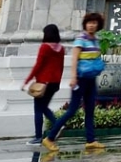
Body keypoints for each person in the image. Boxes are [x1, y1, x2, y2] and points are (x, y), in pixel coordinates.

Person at [43, 12, 108, 152]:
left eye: (94, 23)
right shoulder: (81, 39)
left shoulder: (95, 40)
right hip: (80, 79)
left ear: (98, 25)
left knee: (90, 109)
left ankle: (90, 140)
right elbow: (74, 59)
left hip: (91, 79)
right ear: (85, 24)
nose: (91, 25)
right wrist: (73, 77)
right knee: (72, 110)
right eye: (89, 22)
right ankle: (50, 138)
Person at [24, 24, 65, 146]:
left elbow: (38, 65)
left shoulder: (44, 47)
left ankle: (38, 137)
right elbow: (61, 67)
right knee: (44, 107)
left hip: (43, 82)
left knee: (38, 109)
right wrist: (58, 82)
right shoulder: (61, 48)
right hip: (54, 82)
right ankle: (58, 124)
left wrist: (28, 79)